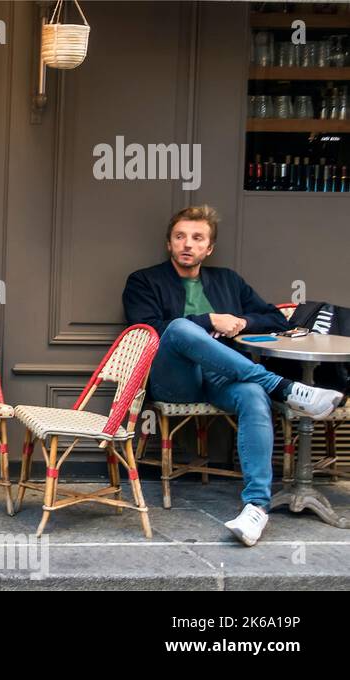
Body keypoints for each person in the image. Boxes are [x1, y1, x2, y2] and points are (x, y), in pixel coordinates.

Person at [123, 205, 344, 547]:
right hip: (175, 380)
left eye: (198, 238)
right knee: (180, 327)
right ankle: (283, 388)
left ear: (208, 248)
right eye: (180, 237)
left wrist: (242, 322)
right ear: (169, 243)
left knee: (254, 395)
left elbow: (276, 320)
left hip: (223, 377)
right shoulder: (143, 281)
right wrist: (210, 321)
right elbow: (149, 329)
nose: (188, 244)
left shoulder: (228, 280)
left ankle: (256, 507)